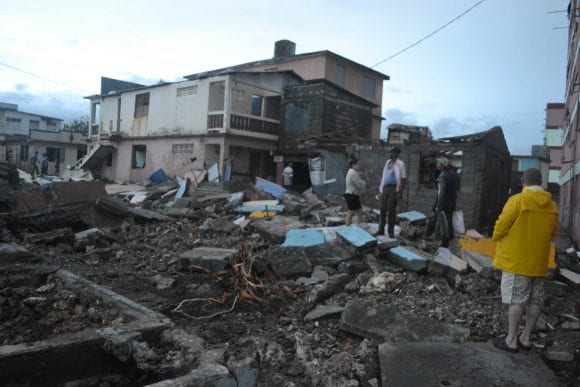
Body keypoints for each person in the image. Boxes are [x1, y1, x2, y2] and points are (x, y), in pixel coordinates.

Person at [491, 168, 558, 353]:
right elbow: (553, 233)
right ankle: (526, 338)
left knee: (517, 300)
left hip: (518, 260)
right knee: (535, 301)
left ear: (523, 181)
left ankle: (511, 340)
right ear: (541, 182)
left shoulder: (518, 200)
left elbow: (501, 226)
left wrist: (496, 237)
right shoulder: (552, 205)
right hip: (539, 261)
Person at [376, 147, 406, 238]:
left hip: (394, 189)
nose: (390, 154)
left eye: (391, 152)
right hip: (386, 188)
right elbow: (384, 175)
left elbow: (404, 179)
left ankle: (390, 232)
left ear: (396, 154)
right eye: (389, 152)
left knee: (391, 210)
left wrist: (400, 192)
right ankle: (381, 230)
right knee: (382, 209)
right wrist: (381, 189)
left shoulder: (401, 164)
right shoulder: (388, 162)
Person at [435, 158, 458, 247]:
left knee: (443, 224)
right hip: (451, 202)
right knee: (448, 221)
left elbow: (441, 193)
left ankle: (444, 244)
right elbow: (455, 191)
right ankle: (446, 242)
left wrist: (438, 206)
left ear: (442, 166)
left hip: (444, 203)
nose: (437, 165)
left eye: (438, 164)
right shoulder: (454, 175)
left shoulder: (442, 177)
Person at [344, 157, 366, 226]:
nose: (359, 166)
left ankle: (360, 226)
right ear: (354, 164)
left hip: (353, 195)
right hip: (351, 195)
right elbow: (360, 184)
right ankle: (347, 228)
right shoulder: (353, 173)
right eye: (358, 164)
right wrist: (364, 182)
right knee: (350, 213)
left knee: (360, 211)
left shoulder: (351, 172)